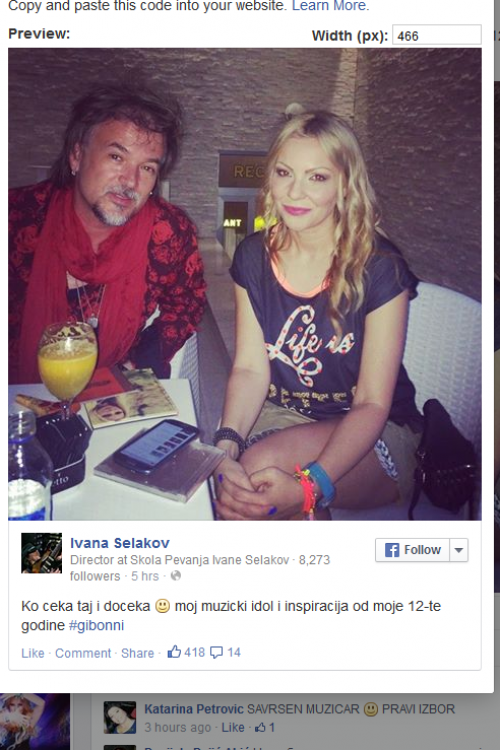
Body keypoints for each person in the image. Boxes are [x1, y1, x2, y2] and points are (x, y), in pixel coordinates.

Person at [214, 111, 422, 521]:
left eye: (317, 177)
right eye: (284, 172)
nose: (295, 191)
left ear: (345, 184)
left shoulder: (380, 266)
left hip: (373, 428)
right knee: (246, 494)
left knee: (264, 478)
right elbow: (251, 370)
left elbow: (371, 402)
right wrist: (225, 444)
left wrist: (310, 485)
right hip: (282, 414)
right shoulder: (253, 256)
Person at [9, 84, 206, 384]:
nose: (130, 181)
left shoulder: (168, 232)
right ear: (77, 156)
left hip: (111, 390)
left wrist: (141, 360)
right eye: (116, 157)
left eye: (147, 168)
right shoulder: (18, 217)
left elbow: (187, 301)